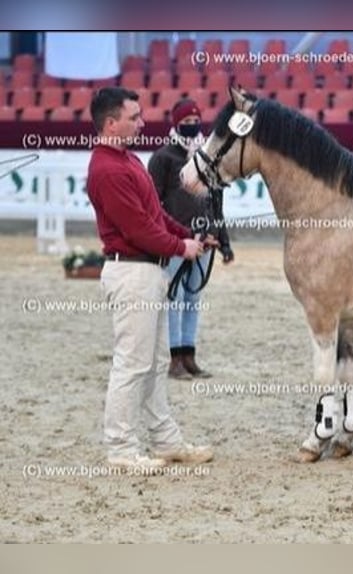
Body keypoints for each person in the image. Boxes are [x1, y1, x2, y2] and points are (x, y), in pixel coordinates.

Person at [86, 87, 215, 472]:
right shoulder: (107, 169)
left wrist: (189, 235)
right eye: (134, 117)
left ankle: (164, 440)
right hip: (132, 271)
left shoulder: (127, 161)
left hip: (147, 270)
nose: (142, 123)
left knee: (155, 362)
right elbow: (139, 229)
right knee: (131, 364)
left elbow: (155, 214)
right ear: (112, 123)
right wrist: (182, 248)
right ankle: (121, 449)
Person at [148, 98, 234, 380]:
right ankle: (173, 357)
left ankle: (189, 354)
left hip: (205, 239)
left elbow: (217, 202)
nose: (191, 127)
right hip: (176, 241)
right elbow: (153, 204)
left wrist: (224, 241)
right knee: (174, 298)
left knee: (193, 298)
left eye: (194, 122)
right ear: (175, 124)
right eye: (185, 123)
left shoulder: (208, 159)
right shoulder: (162, 158)